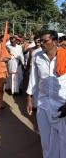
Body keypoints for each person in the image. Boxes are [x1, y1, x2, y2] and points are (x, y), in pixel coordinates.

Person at [26, 30, 66, 158]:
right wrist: (29, 98)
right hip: (43, 104)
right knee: (45, 138)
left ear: (55, 41)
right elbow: (33, 79)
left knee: (63, 140)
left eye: (45, 41)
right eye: (40, 41)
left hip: (62, 106)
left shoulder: (65, 57)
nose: (41, 43)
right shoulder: (37, 57)